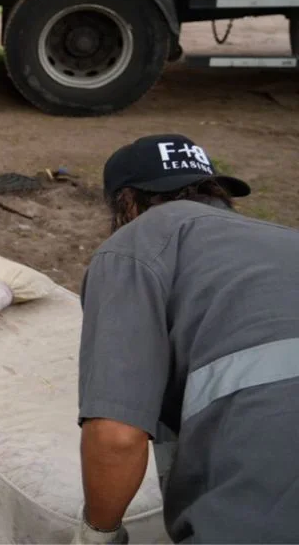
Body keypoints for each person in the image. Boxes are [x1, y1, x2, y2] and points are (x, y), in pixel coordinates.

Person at [75, 133, 299, 543]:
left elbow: (117, 436)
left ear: (126, 203)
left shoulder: (133, 246)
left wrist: (98, 535)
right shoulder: (288, 238)